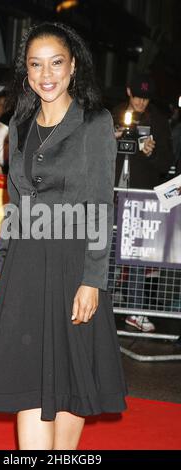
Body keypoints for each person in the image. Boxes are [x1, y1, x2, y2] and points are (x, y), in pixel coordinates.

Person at [0, 22, 128, 450]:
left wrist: (93, 280)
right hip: (24, 268)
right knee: (27, 382)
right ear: (26, 73)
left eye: (56, 63)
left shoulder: (95, 123)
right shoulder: (19, 125)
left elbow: (99, 206)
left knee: (72, 377)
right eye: (36, 65)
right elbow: (14, 203)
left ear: (73, 66)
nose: (46, 74)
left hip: (75, 265)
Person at [112, 73, 174, 333]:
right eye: (137, 96)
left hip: (140, 194)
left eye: (146, 98)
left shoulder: (157, 121)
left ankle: (136, 309)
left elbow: (166, 162)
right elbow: (91, 153)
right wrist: (110, 140)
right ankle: (100, 302)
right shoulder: (113, 115)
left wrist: (151, 153)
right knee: (105, 249)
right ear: (128, 91)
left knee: (136, 253)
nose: (141, 103)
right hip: (112, 191)